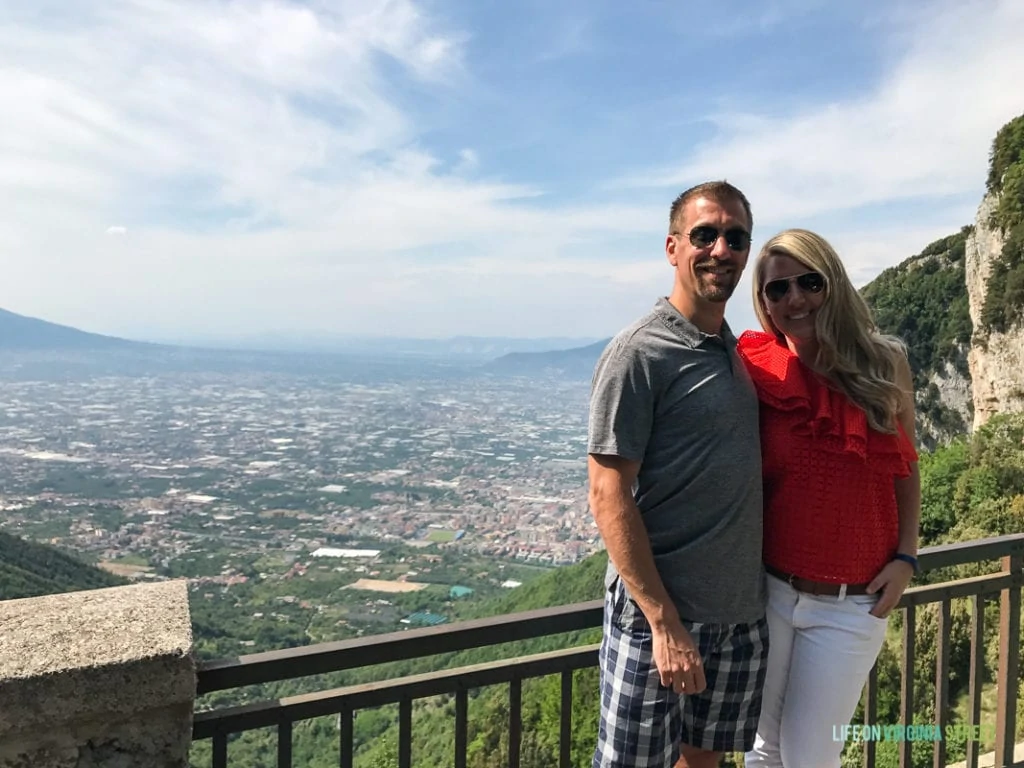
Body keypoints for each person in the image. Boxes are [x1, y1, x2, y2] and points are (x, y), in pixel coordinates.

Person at [588, 180, 768, 768]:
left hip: (739, 616)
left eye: (736, 237)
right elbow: (607, 489)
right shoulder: (640, 352)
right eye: (705, 234)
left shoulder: (734, 351)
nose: (722, 249)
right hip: (657, 620)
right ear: (672, 247)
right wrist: (662, 621)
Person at [737, 229, 921, 768]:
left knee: (812, 757)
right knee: (762, 751)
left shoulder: (884, 364)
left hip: (852, 601)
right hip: (770, 592)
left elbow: (905, 467)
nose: (795, 299)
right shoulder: (759, 367)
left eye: (808, 282)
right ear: (764, 302)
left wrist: (908, 556)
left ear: (832, 283)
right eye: (778, 290)